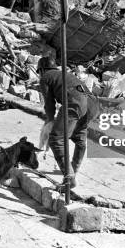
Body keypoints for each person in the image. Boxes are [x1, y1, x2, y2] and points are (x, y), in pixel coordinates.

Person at [37, 56, 99, 188]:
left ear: (41, 70)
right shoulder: (65, 74)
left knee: (56, 139)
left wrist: (49, 120)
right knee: (79, 139)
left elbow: (49, 103)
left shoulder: (45, 77)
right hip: (93, 105)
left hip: (75, 103)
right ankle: (73, 170)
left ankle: (69, 178)